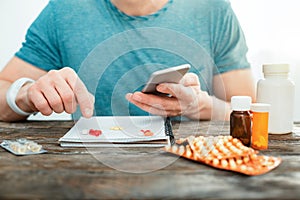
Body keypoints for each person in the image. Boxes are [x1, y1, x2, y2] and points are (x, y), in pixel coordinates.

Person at [0, 0, 255, 122]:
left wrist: (199, 106)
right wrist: (26, 95)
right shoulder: (63, 11)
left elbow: (252, 113)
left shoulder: (212, 10)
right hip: (87, 174)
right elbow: (4, 91)